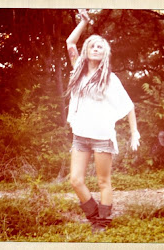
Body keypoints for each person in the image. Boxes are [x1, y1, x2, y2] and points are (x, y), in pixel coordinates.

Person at [65, 9, 140, 232]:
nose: (96, 48)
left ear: (104, 52)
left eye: (100, 46)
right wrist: (84, 22)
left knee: (103, 182)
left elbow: (128, 105)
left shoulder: (109, 78)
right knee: (75, 180)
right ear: (86, 51)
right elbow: (70, 42)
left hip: (102, 137)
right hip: (80, 136)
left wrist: (134, 132)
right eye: (92, 45)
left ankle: (102, 223)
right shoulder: (78, 70)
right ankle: (96, 215)